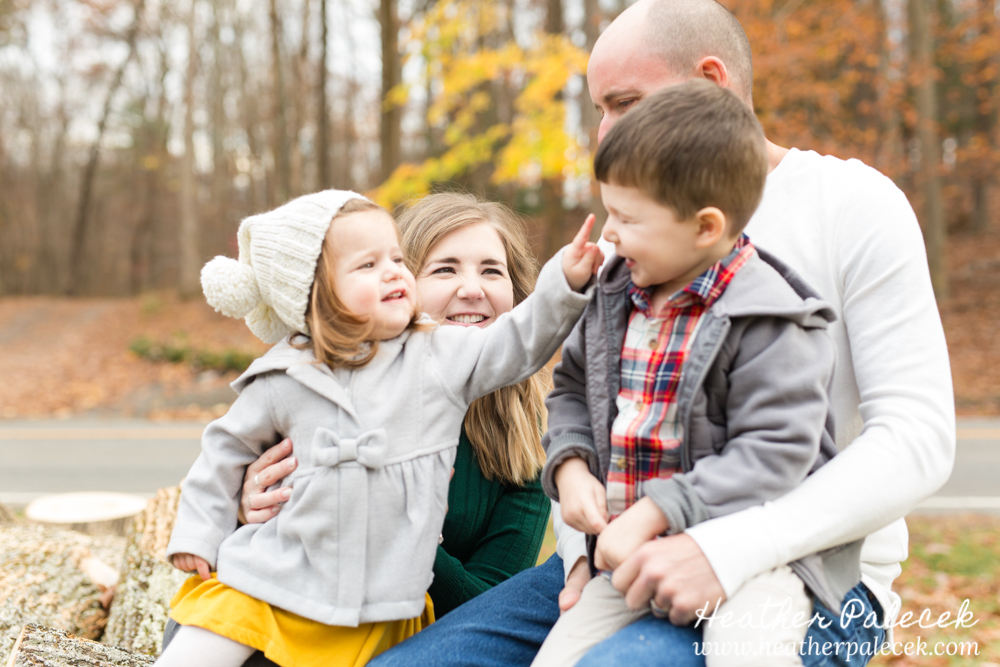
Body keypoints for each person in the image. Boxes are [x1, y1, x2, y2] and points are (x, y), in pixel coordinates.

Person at [369, 0, 956, 665]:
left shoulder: (852, 207)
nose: (603, 134)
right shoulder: (641, 237)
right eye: (598, 111)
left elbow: (918, 438)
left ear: (711, 85)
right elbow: (589, 412)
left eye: (623, 103)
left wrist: (726, 549)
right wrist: (579, 549)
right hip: (618, 563)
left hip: (806, 577)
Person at [155, 190, 601, 667]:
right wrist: (220, 523)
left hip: (383, 617)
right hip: (275, 585)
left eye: (491, 270)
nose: (472, 288)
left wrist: (564, 281)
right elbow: (223, 450)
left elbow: (519, 340)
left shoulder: (455, 373)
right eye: (444, 268)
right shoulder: (290, 374)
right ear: (323, 293)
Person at [532, 79, 862, 667]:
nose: (608, 233)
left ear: (705, 227)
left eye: (626, 217)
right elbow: (572, 390)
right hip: (630, 557)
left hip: (748, 557)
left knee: (748, 657)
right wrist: (572, 464)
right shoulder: (615, 296)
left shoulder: (773, 318)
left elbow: (775, 452)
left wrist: (656, 511)